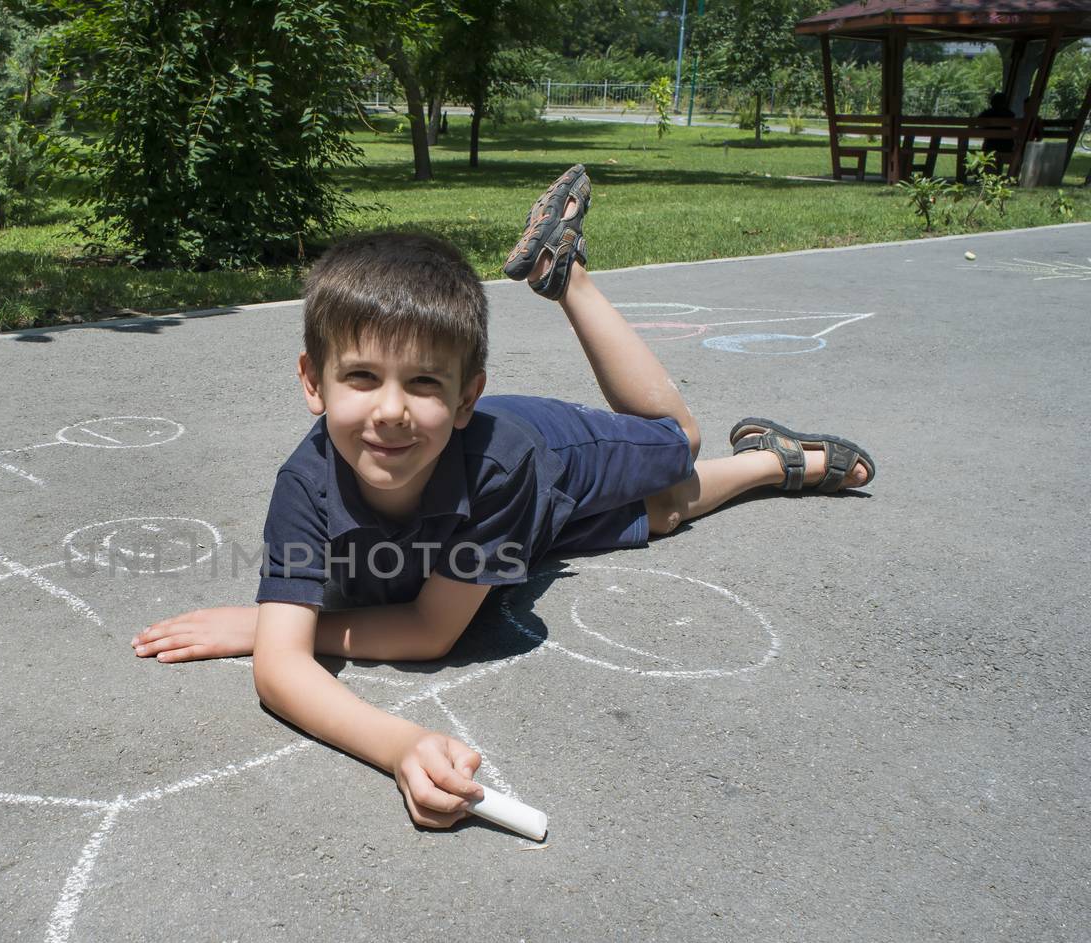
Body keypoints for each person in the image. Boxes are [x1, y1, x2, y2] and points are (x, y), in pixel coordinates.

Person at [130, 165, 875, 830]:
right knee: (659, 514)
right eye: (361, 378)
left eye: (424, 382)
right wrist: (288, 647)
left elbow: (427, 632)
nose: (390, 409)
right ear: (312, 382)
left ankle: (567, 275)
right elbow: (282, 671)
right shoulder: (305, 481)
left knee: (676, 444)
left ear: (464, 397)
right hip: (500, 528)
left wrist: (271, 628)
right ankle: (775, 463)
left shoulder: (501, 464)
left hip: (547, 456)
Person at [978, 92, 1016, 160]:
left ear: (992, 102)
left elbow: (978, 125)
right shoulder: (1010, 114)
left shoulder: (987, 114)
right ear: (1005, 103)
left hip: (990, 146)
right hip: (1007, 147)